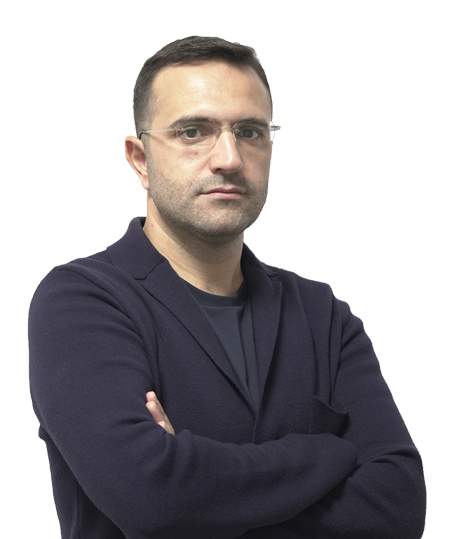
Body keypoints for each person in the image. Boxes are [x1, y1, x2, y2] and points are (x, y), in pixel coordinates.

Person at [29, 36, 426, 539]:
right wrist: (328, 452)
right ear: (140, 159)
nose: (230, 158)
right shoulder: (82, 303)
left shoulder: (323, 316)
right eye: (193, 132)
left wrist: (198, 491)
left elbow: (399, 505)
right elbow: (151, 499)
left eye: (250, 131)